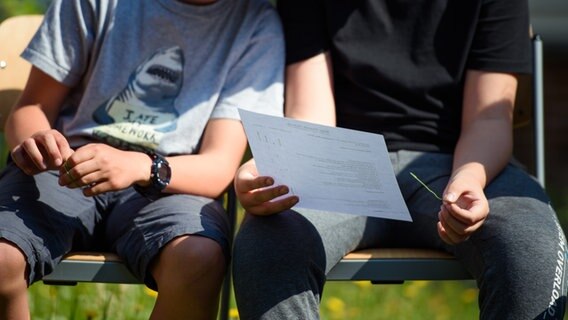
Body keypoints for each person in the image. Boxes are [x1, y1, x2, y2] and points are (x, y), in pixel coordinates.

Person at [231, 0, 568, 319]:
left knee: (533, 247)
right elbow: (312, 114)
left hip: (459, 162)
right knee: (267, 244)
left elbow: (489, 119)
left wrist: (468, 179)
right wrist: (275, 168)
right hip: (343, 167)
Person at [0, 0, 283, 319]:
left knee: (198, 257)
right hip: (66, 170)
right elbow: (31, 108)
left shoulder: (258, 24)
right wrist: (37, 141)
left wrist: (139, 166)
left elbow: (219, 165)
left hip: (174, 184)